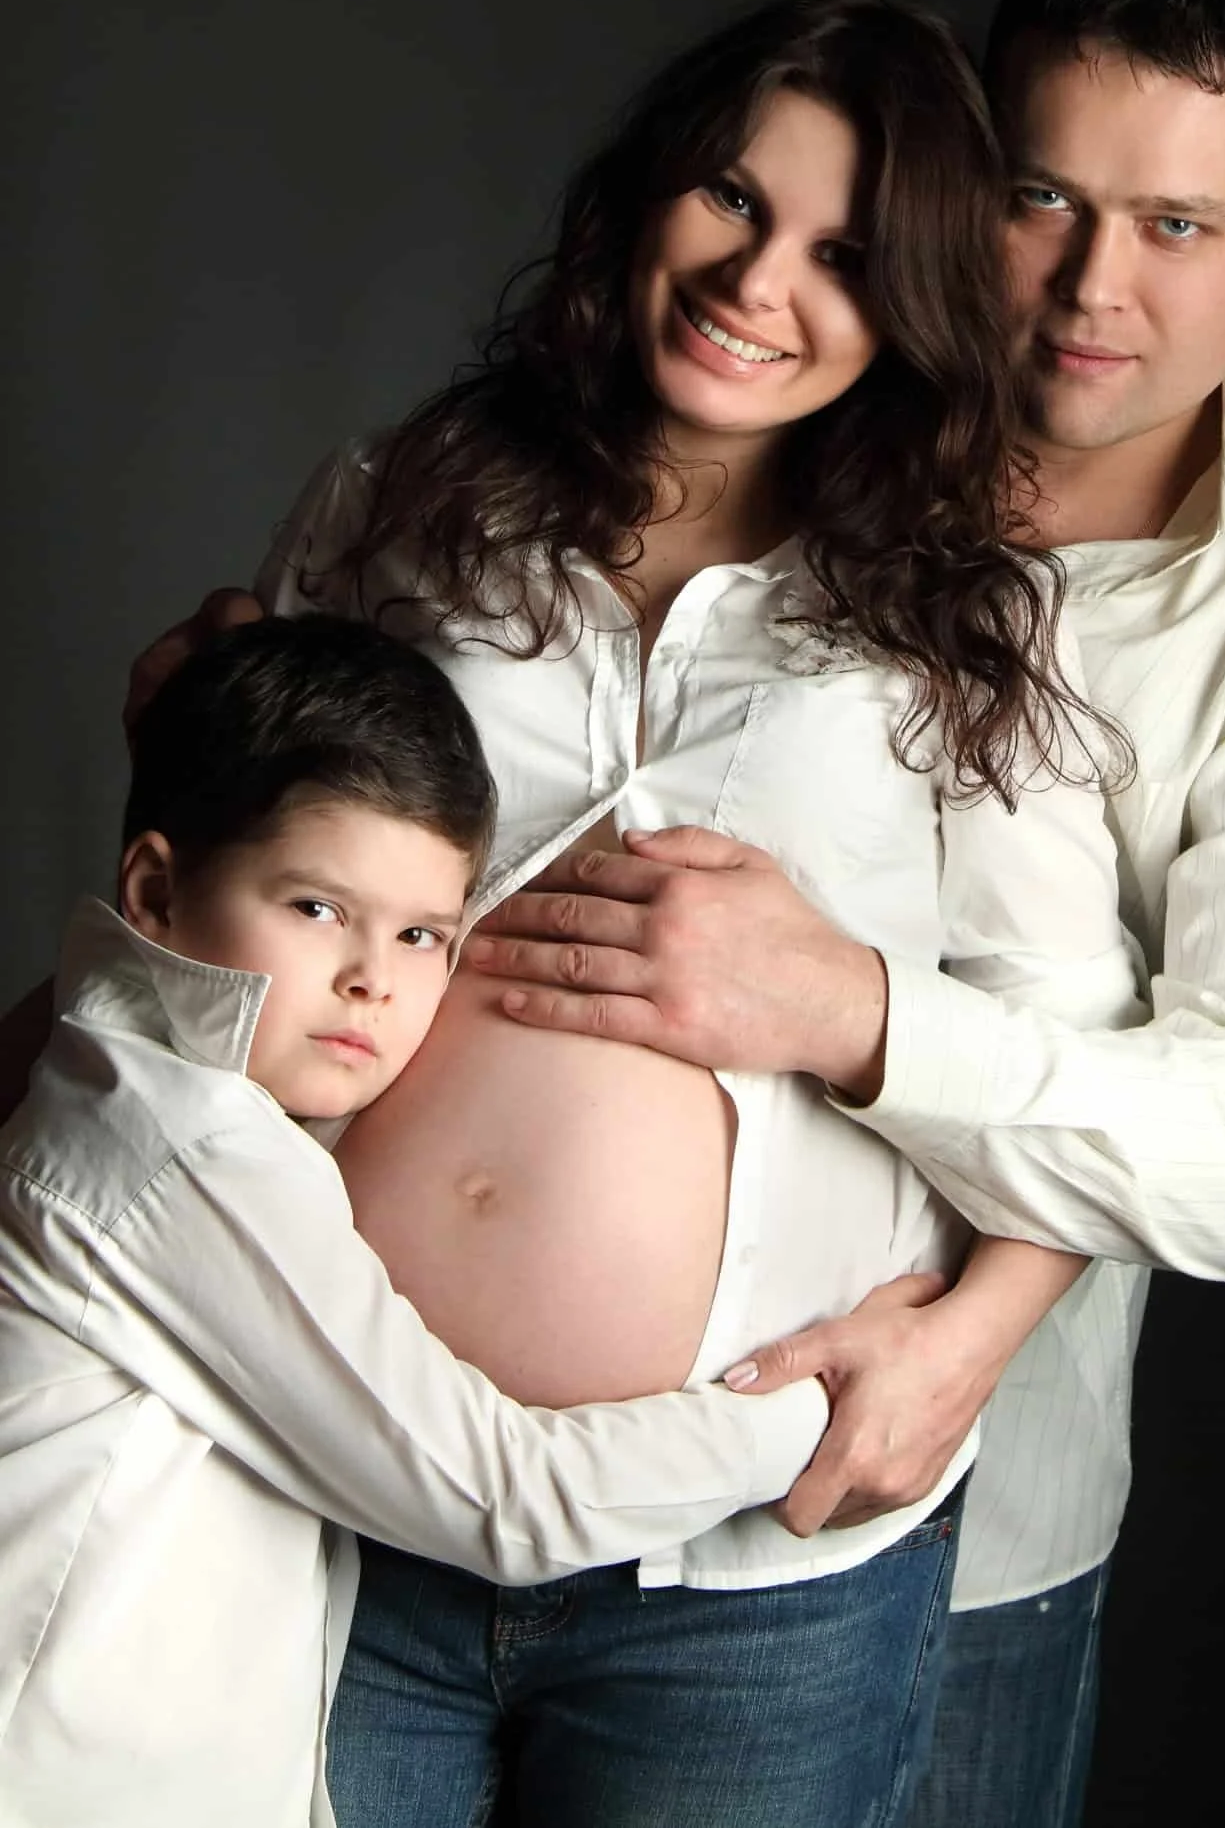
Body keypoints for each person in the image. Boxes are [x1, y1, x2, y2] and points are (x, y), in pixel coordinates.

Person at [463, 0, 1225, 1825]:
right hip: (459, 1461)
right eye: (1042, 198)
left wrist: (875, 1062)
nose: (1093, 286)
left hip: (930, 1496)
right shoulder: (808, 382)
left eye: (1180, 225)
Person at [141, 0, 1145, 1828]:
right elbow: (220, 892)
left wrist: (961, 1342)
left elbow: (1079, 1064)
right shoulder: (406, 511)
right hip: (327, 1478)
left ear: (914, 301)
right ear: (648, 196)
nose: (762, 280)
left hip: (747, 1565)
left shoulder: (966, 631)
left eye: (846, 253)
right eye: (730, 200)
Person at [0, 614, 831, 1828]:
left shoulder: (135, 1077)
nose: (372, 980)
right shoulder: (181, 1150)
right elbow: (504, 1496)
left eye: (421, 933)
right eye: (317, 909)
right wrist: (814, 1410)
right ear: (157, 891)